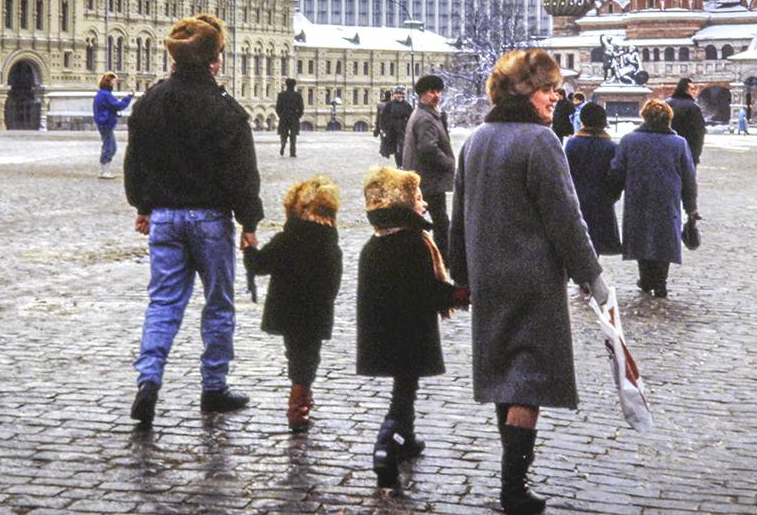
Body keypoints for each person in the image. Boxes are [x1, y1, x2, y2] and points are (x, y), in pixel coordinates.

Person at [450, 48, 608, 515]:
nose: (556, 98)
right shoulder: (541, 143)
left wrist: (461, 276)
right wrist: (591, 275)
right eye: (547, 89)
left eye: (556, 89)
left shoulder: (476, 139)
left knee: (506, 376)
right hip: (532, 279)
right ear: (523, 91)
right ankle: (514, 488)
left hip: (489, 277)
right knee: (528, 381)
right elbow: (566, 218)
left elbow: (458, 217)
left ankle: (512, 480)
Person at [124, 14, 264, 428]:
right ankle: (214, 388)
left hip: (164, 218)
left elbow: (136, 162)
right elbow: (242, 173)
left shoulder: (149, 102)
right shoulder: (226, 111)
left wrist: (143, 206)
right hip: (210, 221)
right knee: (218, 304)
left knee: (163, 302)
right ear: (213, 60)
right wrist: (250, 222)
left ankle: (148, 381)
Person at [358, 165, 467, 488]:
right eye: (418, 198)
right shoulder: (414, 243)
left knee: (406, 387)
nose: (425, 204)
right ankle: (386, 444)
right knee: (404, 391)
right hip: (408, 335)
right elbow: (429, 292)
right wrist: (464, 294)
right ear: (403, 205)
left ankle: (407, 436)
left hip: (384, 334)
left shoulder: (376, 243)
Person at [242, 176, 342, 432]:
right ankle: (300, 401)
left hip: (287, 311)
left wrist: (248, 250)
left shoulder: (287, 238)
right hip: (315, 313)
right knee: (308, 357)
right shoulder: (331, 244)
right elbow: (334, 283)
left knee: (296, 355)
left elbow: (259, 265)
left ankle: (299, 401)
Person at [609, 99, 699, 299]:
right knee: (664, 239)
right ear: (669, 119)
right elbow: (688, 177)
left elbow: (617, 170)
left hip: (638, 197)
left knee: (641, 237)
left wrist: (612, 194)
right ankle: (660, 282)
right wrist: (691, 207)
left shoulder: (629, 140)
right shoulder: (679, 143)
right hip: (667, 199)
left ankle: (646, 279)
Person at [402, 74, 454, 263]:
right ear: (422, 95)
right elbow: (428, 149)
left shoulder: (428, 114)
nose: (437, 95)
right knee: (440, 222)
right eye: (432, 92)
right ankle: (444, 258)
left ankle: (436, 256)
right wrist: (449, 163)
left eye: (438, 91)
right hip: (429, 179)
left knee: (430, 220)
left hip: (424, 178)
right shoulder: (426, 118)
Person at [564, 103, 622, 257]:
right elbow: (616, 176)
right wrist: (612, 196)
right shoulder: (611, 147)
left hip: (577, 202)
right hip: (602, 203)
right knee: (595, 247)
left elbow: (565, 173)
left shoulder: (572, 145)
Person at [93, 72, 133, 178]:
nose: (114, 83)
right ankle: (103, 171)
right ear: (108, 82)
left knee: (112, 146)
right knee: (109, 146)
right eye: (113, 81)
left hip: (105, 123)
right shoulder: (105, 95)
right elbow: (118, 105)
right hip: (106, 123)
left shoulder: (102, 94)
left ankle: (105, 169)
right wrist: (129, 97)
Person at [665, 77, 707, 165]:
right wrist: (695, 155)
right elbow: (698, 133)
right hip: (687, 152)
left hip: (666, 152)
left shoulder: (666, 104)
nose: (694, 92)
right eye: (692, 89)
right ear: (685, 90)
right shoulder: (693, 107)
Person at [380, 87, 413, 167]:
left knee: (402, 146)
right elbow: (384, 116)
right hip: (392, 129)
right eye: (397, 93)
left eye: (400, 94)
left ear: (403, 95)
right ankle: (398, 164)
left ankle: (402, 163)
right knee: (394, 148)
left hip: (402, 128)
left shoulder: (407, 105)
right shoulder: (390, 104)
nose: (398, 95)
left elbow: (411, 117)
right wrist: (384, 128)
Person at [276, 78, 304, 158]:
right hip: (294, 116)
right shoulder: (297, 95)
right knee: (293, 135)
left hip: (284, 115)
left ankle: (283, 144)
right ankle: (292, 152)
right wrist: (298, 115)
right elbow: (301, 107)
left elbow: (278, 107)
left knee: (283, 133)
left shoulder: (281, 95)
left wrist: (281, 115)